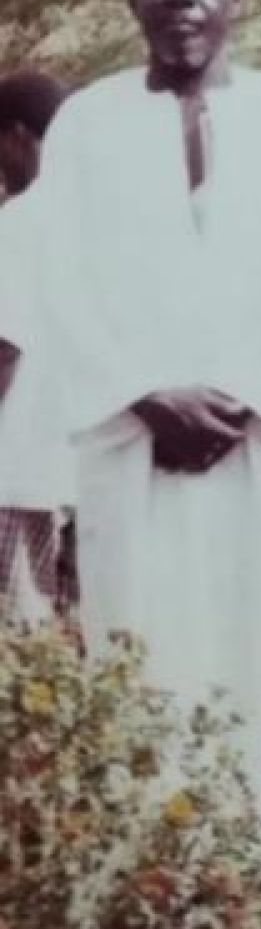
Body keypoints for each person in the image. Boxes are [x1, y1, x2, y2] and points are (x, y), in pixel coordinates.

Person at [36, 0, 261, 844]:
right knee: (146, 649)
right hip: (137, 450)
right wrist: (144, 396)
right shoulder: (85, 123)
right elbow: (55, 274)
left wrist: (243, 397)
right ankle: (157, 881)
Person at [0, 70, 73, 622]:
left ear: (18, 135)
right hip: (83, 472)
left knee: (21, 639)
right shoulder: (104, 220)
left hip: (18, 468)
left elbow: (4, 346)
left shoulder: (19, 223)